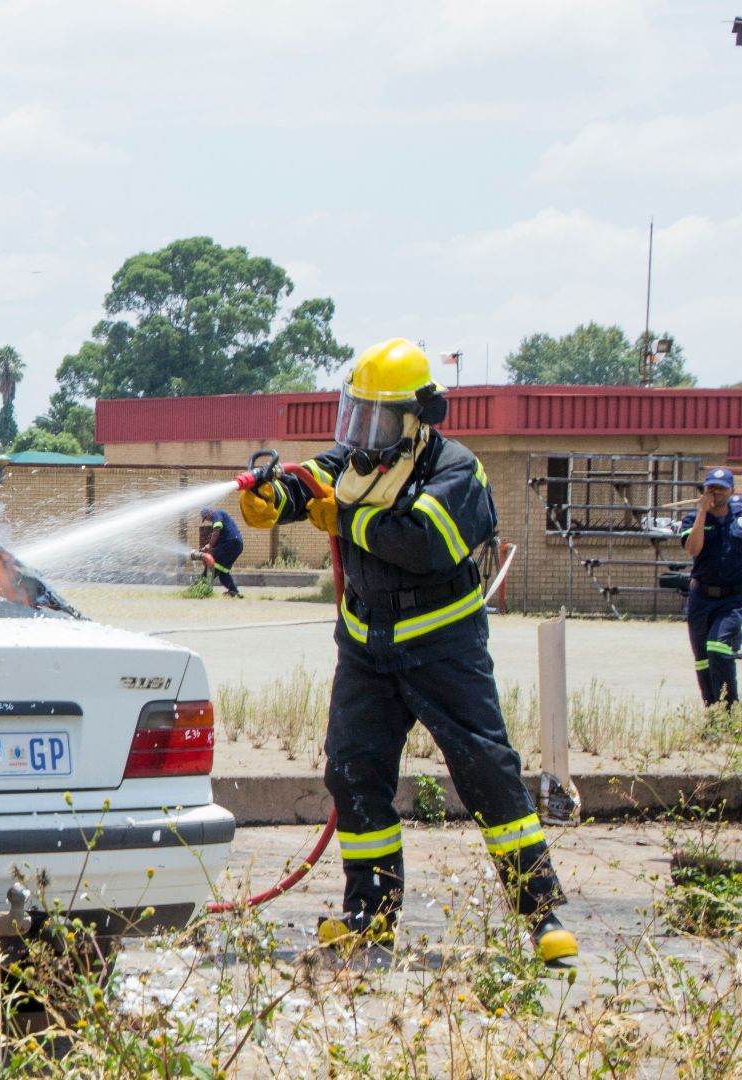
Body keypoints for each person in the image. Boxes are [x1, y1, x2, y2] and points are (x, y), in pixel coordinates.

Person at [238, 338, 575, 965]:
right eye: (357, 413)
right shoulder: (358, 459)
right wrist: (272, 499)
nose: (364, 431)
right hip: (367, 649)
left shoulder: (457, 471)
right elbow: (312, 481)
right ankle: (370, 917)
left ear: (418, 420)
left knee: (487, 773)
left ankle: (541, 914)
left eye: (380, 418)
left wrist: (343, 521)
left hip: (443, 647)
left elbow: (424, 541)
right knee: (354, 773)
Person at [680, 467, 742, 707]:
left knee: (718, 648)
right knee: (703, 659)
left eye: (720, 488)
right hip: (701, 597)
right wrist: (701, 513)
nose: (714, 492)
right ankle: (712, 709)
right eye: (710, 487)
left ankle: (729, 708)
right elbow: (692, 549)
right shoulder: (692, 519)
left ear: (731, 491)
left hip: (733, 600)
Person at [196, 506, 245, 597]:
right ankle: (233, 591)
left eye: (206, 518)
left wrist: (210, 545)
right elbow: (218, 536)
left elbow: (216, 531)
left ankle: (200, 587)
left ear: (208, 513)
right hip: (237, 546)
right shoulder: (221, 518)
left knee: (213, 563)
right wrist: (210, 548)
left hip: (230, 543)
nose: (208, 520)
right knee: (223, 571)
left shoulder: (216, 514)